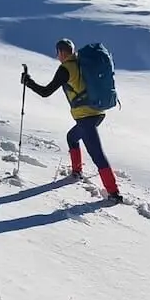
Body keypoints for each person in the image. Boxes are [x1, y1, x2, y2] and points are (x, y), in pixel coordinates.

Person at [21, 38, 122, 202]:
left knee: (97, 154)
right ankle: (77, 172)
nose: (57, 56)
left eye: (57, 53)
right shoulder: (80, 63)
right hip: (97, 112)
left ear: (61, 52)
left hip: (85, 116)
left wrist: (28, 82)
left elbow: (46, 92)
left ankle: (114, 193)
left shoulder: (65, 69)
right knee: (72, 137)